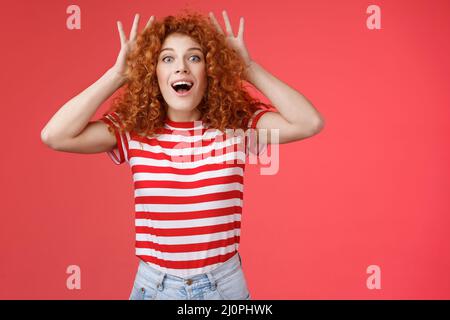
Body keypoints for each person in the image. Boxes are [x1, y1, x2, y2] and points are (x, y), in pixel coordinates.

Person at [41, 9, 324, 300]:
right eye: (167, 58)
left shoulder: (238, 125)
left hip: (223, 288)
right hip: (154, 287)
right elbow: (55, 135)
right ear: (154, 72)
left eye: (194, 57)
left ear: (209, 69)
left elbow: (308, 122)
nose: (181, 68)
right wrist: (115, 76)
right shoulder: (133, 129)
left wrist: (249, 68)